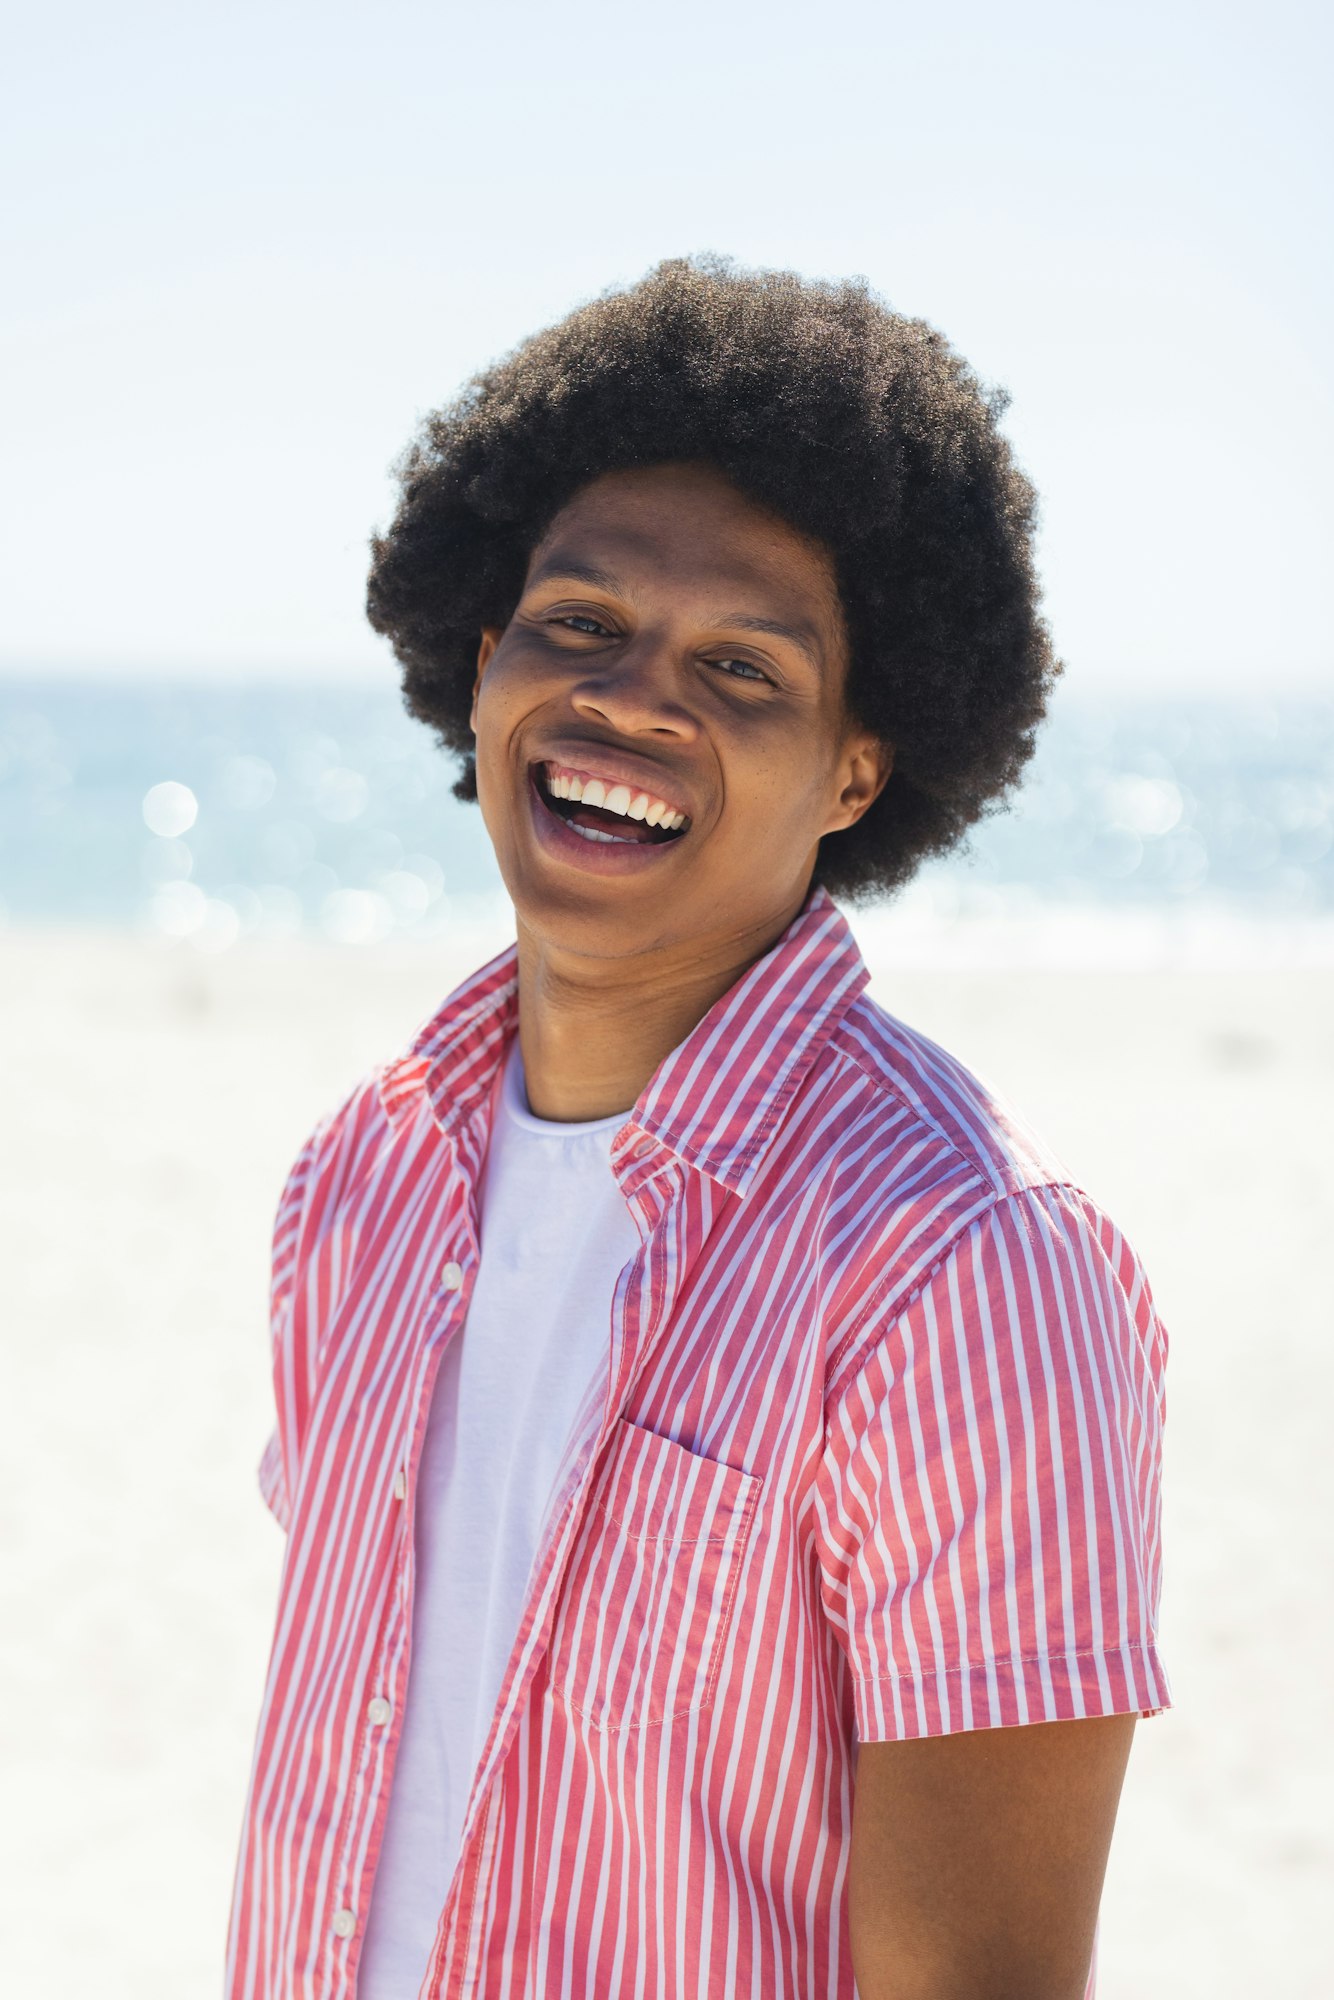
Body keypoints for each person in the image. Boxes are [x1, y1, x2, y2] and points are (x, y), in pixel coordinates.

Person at [225, 254, 1172, 2000]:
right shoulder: (352, 1186)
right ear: (484, 655)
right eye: (578, 623)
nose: (633, 701)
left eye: (742, 667)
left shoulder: (966, 1271)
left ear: (853, 775)